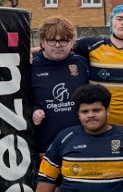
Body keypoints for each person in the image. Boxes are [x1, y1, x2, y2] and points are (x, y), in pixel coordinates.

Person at [31, 16, 89, 156]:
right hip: (45, 146)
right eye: (51, 40)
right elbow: (22, 99)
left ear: (71, 42)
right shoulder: (31, 66)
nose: (57, 45)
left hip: (81, 144)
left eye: (63, 40)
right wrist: (34, 111)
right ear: (42, 42)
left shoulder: (82, 63)